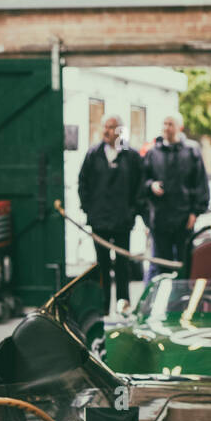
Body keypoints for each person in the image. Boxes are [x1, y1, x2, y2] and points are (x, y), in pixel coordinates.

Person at [77, 114, 143, 310]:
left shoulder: (131, 156)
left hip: (122, 220)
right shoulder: (93, 154)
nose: (106, 131)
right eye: (104, 126)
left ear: (120, 130)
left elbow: (139, 186)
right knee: (101, 266)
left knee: (123, 266)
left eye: (111, 127)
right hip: (99, 221)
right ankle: (103, 306)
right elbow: (83, 184)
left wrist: (133, 212)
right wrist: (88, 209)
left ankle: (123, 306)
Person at [143, 113, 209, 276]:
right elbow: (142, 182)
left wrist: (195, 212)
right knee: (161, 266)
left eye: (170, 124)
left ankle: (184, 300)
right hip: (160, 219)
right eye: (164, 123)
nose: (166, 128)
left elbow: (200, 184)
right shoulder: (153, 153)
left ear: (179, 127)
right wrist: (151, 185)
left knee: (185, 263)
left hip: (184, 218)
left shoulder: (192, 152)